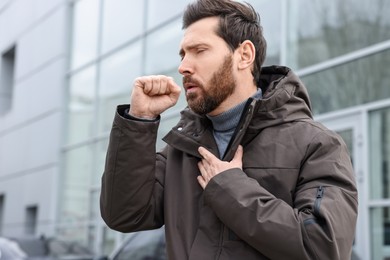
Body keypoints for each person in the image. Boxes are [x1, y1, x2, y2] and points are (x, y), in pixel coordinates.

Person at [100, 0, 358, 259]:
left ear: (244, 55)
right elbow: (125, 215)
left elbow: (323, 248)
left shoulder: (318, 145)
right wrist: (139, 120)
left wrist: (230, 186)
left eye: (199, 51)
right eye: (183, 54)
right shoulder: (180, 150)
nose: (183, 67)